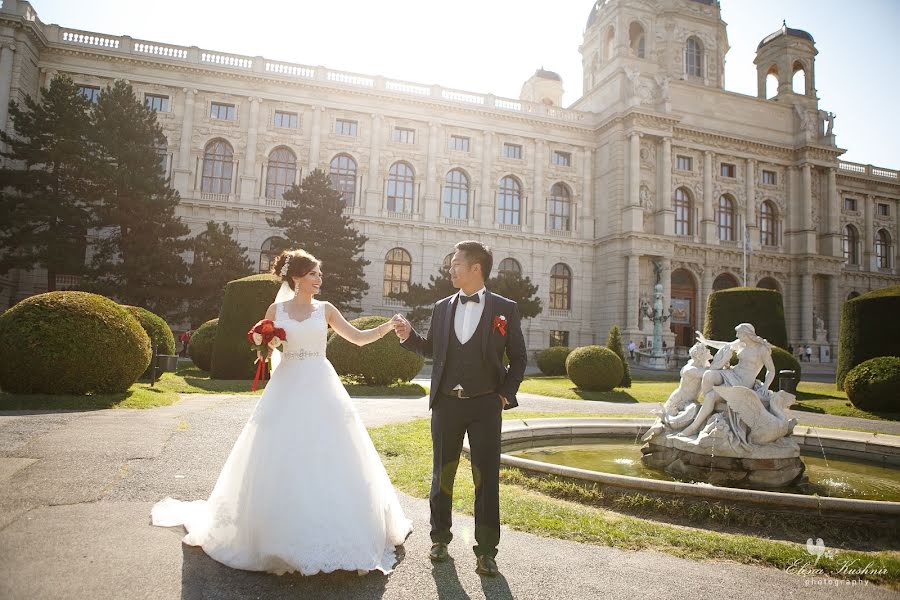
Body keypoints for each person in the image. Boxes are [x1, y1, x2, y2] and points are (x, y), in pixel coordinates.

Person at [151, 249, 412, 576]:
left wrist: (387, 327)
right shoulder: (276, 310)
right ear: (297, 278)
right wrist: (263, 342)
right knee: (279, 451)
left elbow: (358, 339)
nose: (320, 279)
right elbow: (266, 350)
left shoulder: (326, 309)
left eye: (320, 274)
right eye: (314, 273)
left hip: (321, 384)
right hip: (287, 385)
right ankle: (274, 534)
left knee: (330, 451)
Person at [393, 240, 526, 577]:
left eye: (456, 264)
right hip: (446, 405)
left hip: (485, 405)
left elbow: (520, 358)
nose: (450, 269)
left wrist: (504, 395)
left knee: (486, 480)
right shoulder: (442, 307)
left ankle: (486, 551)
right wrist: (409, 336)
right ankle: (439, 539)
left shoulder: (505, 309)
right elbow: (431, 349)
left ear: (475, 268)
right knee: (443, 474)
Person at [677, 323, 776, 438]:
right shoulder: (740, 344)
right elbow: (724, 345)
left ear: (747, 334)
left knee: (711, 396)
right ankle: (710, 407)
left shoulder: (761, 349)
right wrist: (706, 341)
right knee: (709, 374)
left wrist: (765, 386)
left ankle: (694, 425)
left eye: (739, 333)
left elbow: (771, 370)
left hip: (743, 382)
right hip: (733, 373)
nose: (737, 335)